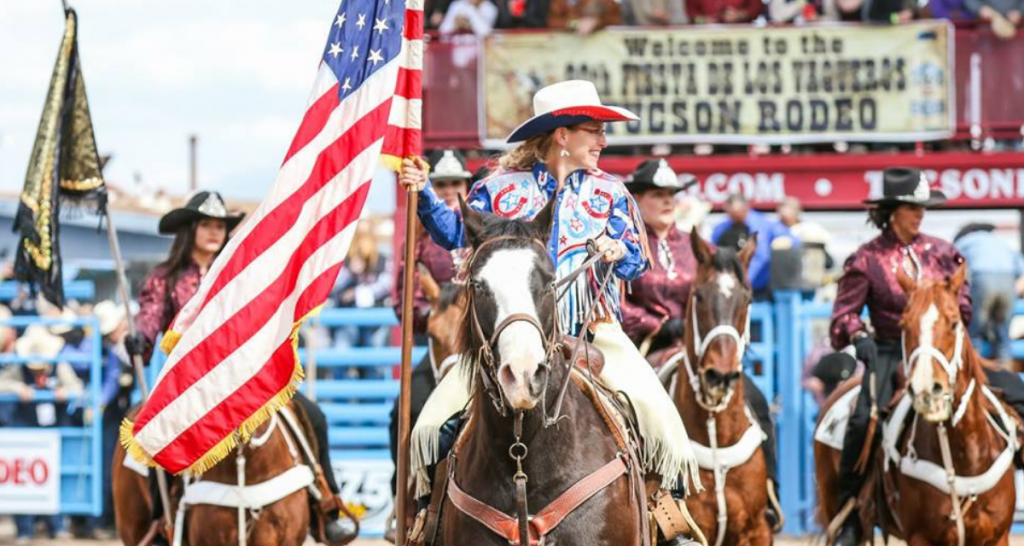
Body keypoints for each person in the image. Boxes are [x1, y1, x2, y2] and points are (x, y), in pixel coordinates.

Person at [401, 80, 701, 546]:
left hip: (593, 331)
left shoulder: (611, 193)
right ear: (562, 134)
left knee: (660, 417)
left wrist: (615, 248)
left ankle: (669, 519)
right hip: (509, 333)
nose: (602, 140)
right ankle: (426, 518)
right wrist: (422, 194)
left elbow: (638, 260)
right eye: (593, 130)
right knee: (430, 426)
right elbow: (455, 234)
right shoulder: (497, 189)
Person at [133, 191, 356, 546]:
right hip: (190, 387)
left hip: (244, 377)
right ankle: (162, 517)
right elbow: (148, 320)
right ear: (190, 229)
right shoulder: (165, 278)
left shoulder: (241, 273)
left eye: (220, 225)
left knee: (313, 415)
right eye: (206, 224)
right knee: (154, 431)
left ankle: (325, 503)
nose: (214, 232)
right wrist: (138, 337)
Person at [829, 167, 1024, 546]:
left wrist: (948, 313)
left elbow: (964, 305)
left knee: (1015, 391)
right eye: (911, 206)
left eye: (923, 207)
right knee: (862, 418)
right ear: (891, 210)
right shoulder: (866, 259)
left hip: (948, 349)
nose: (920, 214)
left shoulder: (945, 252)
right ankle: (852, 511)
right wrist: (858, 334)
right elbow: (843, 315)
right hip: (891, 349)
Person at [619, 158, 785, 532]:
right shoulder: (626, 246)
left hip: (703, 348)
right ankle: (637, 501)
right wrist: (657, 325)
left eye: (671, 195)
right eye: (657, 195)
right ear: (638, 199)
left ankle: (770, 494)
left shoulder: (701, 249)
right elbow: (616, 303)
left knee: (756, 401)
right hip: (644, 347)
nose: (667, 202)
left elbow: (726, 297)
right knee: (627, 410)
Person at [388, 148, 469, 499]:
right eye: (442, 183)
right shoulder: (417, 240)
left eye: (456, 182)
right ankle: (406, 495)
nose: (450, 189)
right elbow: (403, 299)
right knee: (405, 411)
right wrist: (430, 316)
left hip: (481, 339)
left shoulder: (481, 230)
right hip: (441, 343)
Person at [0, 325, 81, 544]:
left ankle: (56, 525)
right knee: (23, 479)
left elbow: (77, 387)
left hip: (51, 431)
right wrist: (17, 388)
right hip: (25, 430)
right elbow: (2, 383)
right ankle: (24, 529)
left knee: (54, 477)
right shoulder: (18, 367)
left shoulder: (59, 365)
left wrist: (66, 392)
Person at [954, 223, 1024, 368]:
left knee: (974, 332)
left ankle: (974, 372)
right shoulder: (1001, 242)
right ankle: (1006, 376)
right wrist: (1012, 292)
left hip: (982, 279)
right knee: (1003, 336)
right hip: (1008, 280)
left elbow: (954, 266)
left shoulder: (966, 240)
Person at [712, 193, 798, 300]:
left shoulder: (764, 224)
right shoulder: (721, 229)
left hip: (761, 288)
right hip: (730, 289)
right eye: (732, 214)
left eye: (738, 213)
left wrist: (783, 243)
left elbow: (792, 240)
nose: (735, 217)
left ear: (746, 207)